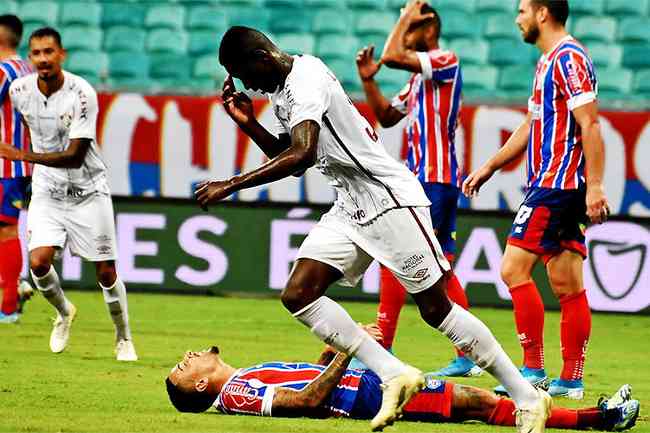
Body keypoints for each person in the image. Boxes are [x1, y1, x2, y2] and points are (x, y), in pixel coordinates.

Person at [196, 25, 550, 432]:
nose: (248, 87)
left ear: (261, 59)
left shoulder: (306, 80)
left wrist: (232, 183)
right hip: (350, 205)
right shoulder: (283, 92)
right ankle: (395, 374)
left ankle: (526, 398)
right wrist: (247, 123)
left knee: (438, 311)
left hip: (390, 201)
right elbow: (295, 155)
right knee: (299, 293)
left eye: (245, 75)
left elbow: (301, 153)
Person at [463, 0, 608, 400]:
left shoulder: (568, 58)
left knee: (513, 269)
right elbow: (531, 125)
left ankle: (532, 371)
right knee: (566, 282)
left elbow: (591, 123)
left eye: (524, 10)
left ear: (543, 13)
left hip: (558, 183)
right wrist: (490, 166)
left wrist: (595, 185)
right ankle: (571, 380)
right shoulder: (547, 62)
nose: (518, 18)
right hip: (553, 183)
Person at [164, 329, 640, 432]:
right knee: (480, 403)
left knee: (483, 400)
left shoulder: (243, 378)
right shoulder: (238, 392)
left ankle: (597, 415)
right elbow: (308, 403)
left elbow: (310, 383)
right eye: (183, 369)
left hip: (365, 386)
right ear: (201, 388)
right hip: (368, 399)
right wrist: (348, 354)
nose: (186, 356)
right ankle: (601, 419)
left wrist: (332, 355)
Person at [356, 1, 479, 377]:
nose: (405, 38)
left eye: (411, 30)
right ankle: (468, 354)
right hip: (425, 180)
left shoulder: (446, 60)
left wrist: (407, 14)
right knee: (438, 269)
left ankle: (384, 345)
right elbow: (388, 117)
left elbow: (393, 55)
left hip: (435, 179)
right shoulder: (420, 78)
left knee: (395, 254)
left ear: (427, 29)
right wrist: (368, 80)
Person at [0, 27, 137, 361]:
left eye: (49, 52)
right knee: (38, 262)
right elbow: (30, 127)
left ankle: (123, 338)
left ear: (62, 54)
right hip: (48, 190)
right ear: (30, 58)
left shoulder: (82, 93)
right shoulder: (19, 90)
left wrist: (22, 156)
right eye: (37, 53)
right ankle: (63, 313)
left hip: (87, 189)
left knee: (105, 271)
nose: (43, 59)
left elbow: (75, 155)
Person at [0, 14, 34, 324]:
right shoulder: (26, 67)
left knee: (6, 230)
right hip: (22, 163)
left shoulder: (3, 70)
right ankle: (14, 288)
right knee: (9, 229)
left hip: (4, 164)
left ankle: (8, 306)